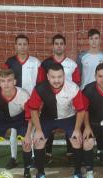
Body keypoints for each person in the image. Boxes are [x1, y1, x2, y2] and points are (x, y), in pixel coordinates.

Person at [28, 63, 87, 178]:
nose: (56, 80)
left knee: (77, 140)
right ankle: (40, 173)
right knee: (39, 140)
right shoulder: (39, 88)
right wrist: (38, 130)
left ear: (64, 76)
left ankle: (77, 173)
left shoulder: (73, 88)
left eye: (59, 77)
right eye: (53, 77)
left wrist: (77, 130)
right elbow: (33, 110)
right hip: (47, 118)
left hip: (68, 117)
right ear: (48, 77)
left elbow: (81, 110)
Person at [37, 34, 80, 164]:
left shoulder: (72, 64)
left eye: (61, 43)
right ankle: (47, 153)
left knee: (70, 128)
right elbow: (40, 83)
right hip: (50, 101)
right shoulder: (45, 64)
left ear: (65, 46)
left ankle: (71, 153)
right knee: (47, 127)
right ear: (53, 46)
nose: (59, 46)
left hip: (67, 101)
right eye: (56, 43)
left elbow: (77, 82)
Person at [3, 34, 41, 169]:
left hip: (31, 102)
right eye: (19, 44)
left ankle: (32, 157)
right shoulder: (10, 62)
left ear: (28, 46)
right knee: (14, 130)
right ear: (15, 46)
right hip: (14, 102)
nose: (22, 47)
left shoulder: (35, 62)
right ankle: (13, 157)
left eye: (25, 44)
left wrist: (37, 101)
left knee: (31, 130)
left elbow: (40, 83)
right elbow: (5, 81)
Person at [77, 28, 103, 165]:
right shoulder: (82, 57)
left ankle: (100, 150)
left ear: (100, 40)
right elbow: (79, 75)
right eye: (91, 38)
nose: (94, 41)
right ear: (88, 40)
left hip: (101, 92)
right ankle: (85, 148)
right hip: (86, 93)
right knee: (85, 121)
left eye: (96, 38)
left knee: (100, 120)